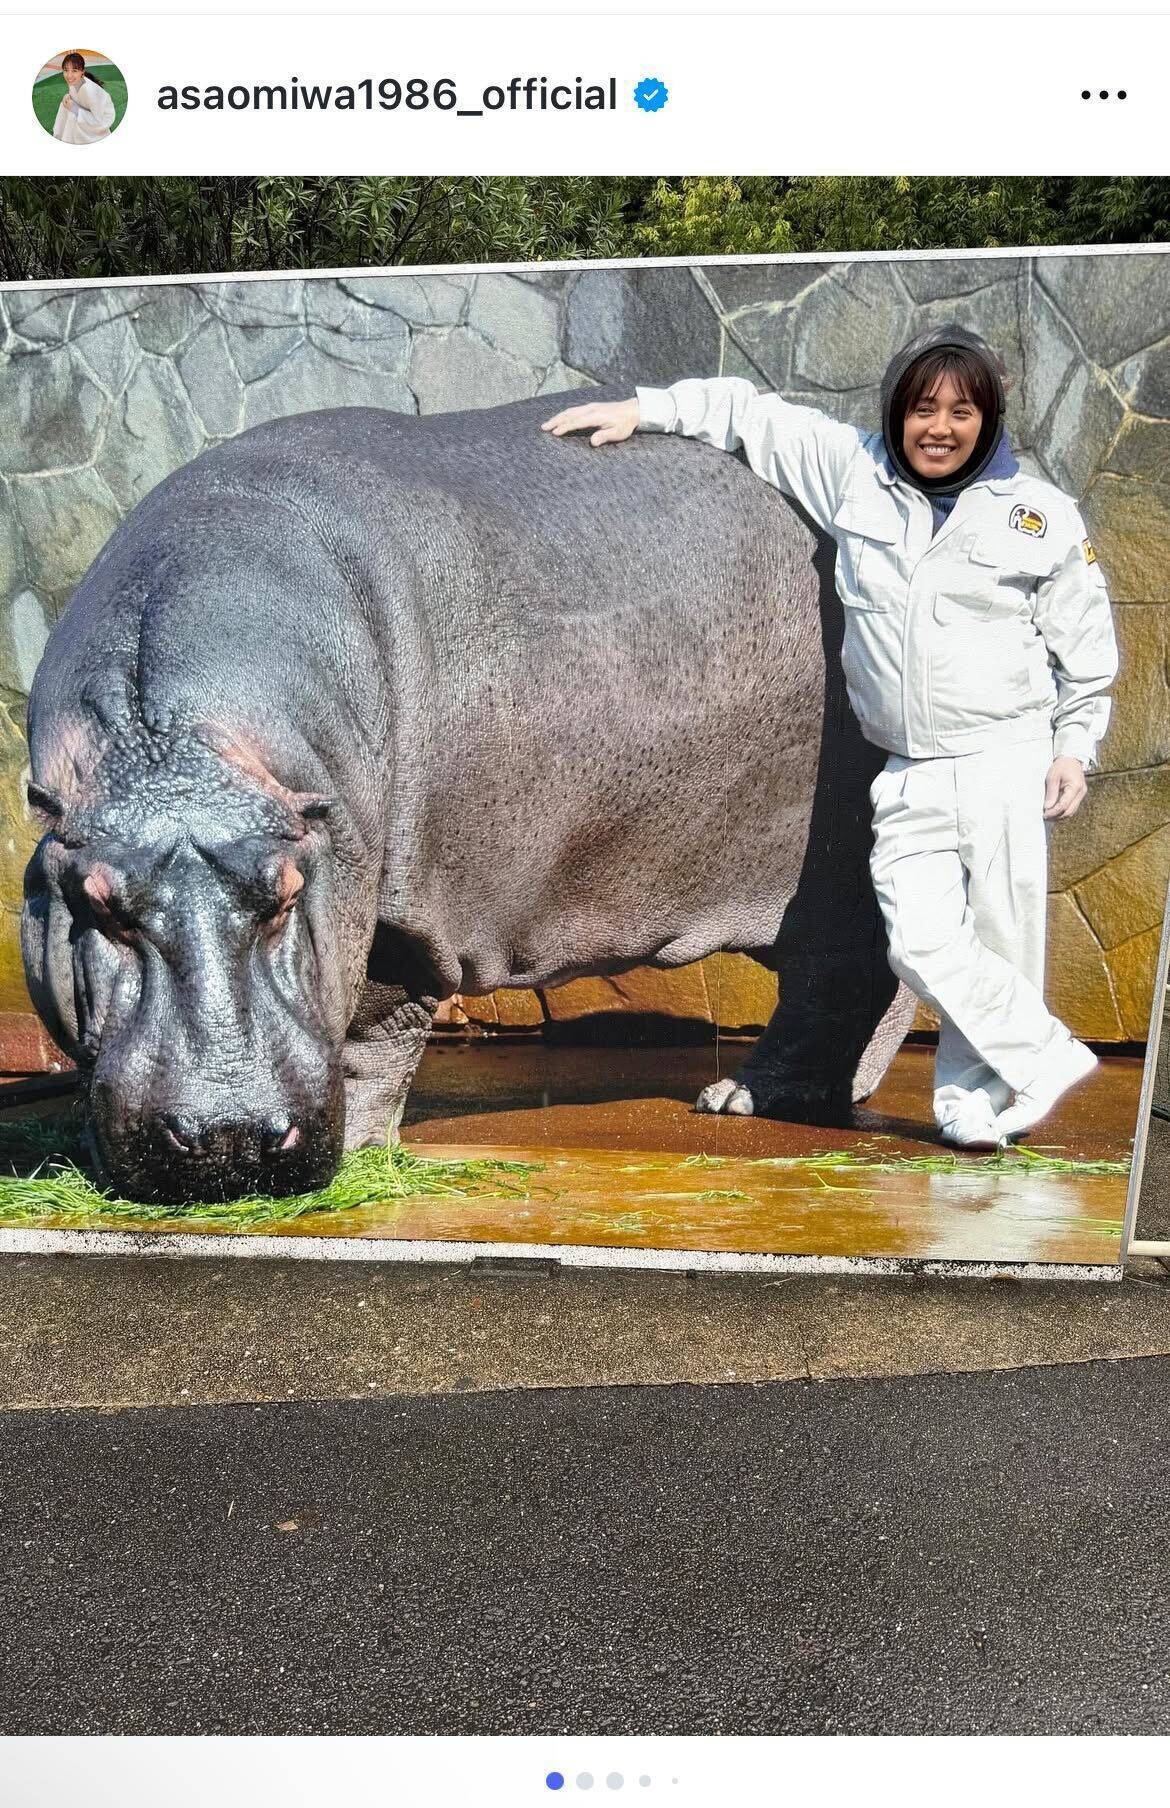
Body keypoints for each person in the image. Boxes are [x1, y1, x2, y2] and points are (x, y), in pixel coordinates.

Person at [541, 324, 1119, 1148]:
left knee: (1000, 939)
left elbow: (1086, 653)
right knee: (919, 940)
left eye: (962, 411)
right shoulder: (855, 473)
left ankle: (972, 1106)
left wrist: (1074, 746)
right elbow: (748, 414)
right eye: (924, 409)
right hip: (911, 765)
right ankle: (1045, 1055)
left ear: (988, 419)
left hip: (1004, 755)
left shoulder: (1040, 518)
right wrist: (644, 409)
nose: (940, 428)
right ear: (896, 411)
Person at [52, 53, 116, 146]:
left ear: (82, 72)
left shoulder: (89, 91)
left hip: (102, 119)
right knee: (64, 105)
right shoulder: (75, 81)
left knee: (73, 116)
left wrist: (74, 109)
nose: (69, 75)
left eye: (74, 70)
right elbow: (76, 97)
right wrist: (69, 99)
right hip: (89, 111)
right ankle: (61, 135)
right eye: (66, 70)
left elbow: (99, 121)